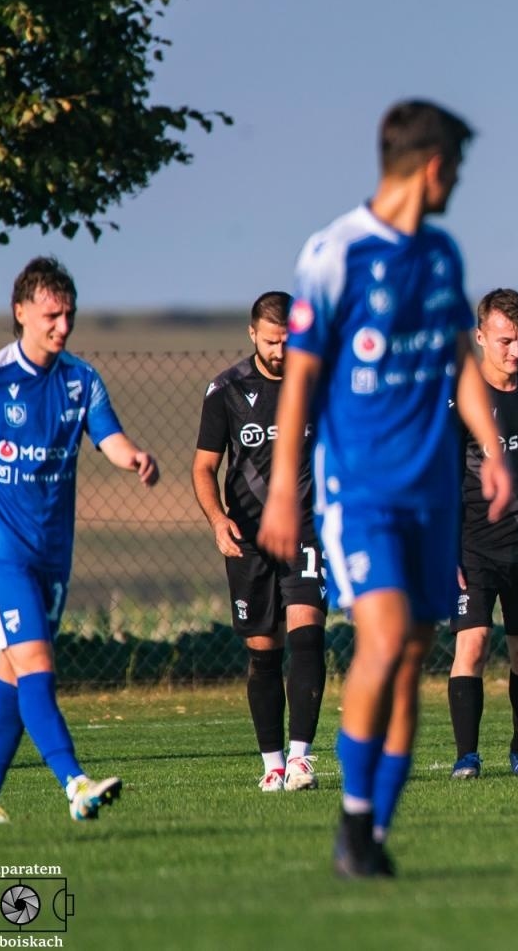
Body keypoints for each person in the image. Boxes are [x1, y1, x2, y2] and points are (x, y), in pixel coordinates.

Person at [258, 100, 510, 878]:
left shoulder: (442, 257)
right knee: (385, 635)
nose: (458, 183)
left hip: (433, 489)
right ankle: (354, 822)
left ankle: (370, 831)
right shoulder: (335, 252)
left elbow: (459, 364)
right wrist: (279, 488)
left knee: (414, 656)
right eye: (457, 169)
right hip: (360, 487)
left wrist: (493, 448)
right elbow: (301, 372)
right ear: (433, 165)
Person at [0, 257, 158, 824]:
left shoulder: (81, 380)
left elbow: (111, 437)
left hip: (52, 552)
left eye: (69, 314)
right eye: (51, 314)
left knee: (13, 678)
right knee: (37, 663)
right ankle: (75, 784)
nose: (62, 326)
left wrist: (135, 458)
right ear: (21, 312)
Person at [193, 291, 327, 792]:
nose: (281, 350)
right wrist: (217, 519)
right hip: (247, 537)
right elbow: (205, 466)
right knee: (263, 652)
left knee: (308, 633)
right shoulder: (225, 390)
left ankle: (301, 760)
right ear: (253, 335)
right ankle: (272, 763)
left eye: (289, 340)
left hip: (306, 528)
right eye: (272, 341)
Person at [448, 288, 518, 780]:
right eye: (505, 340)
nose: (515, 351)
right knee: (472, 644)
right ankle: (467, 757)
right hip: (472, 544)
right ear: (481, 337)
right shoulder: (458, 399)